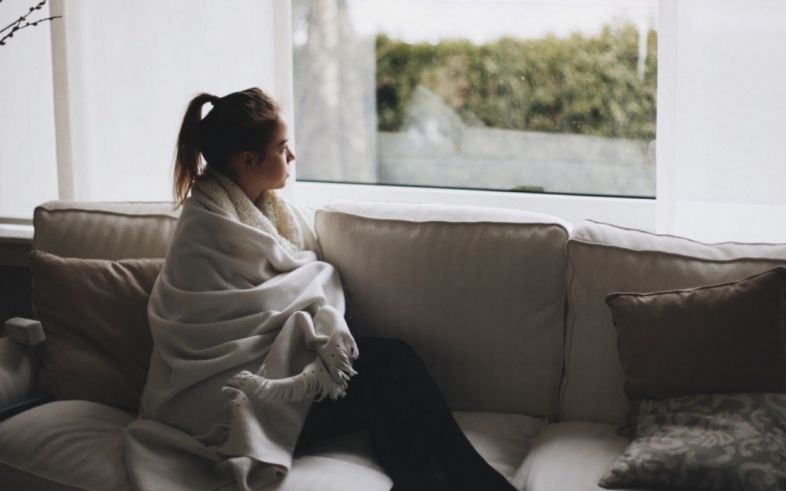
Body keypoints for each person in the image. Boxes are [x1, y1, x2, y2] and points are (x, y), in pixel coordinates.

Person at [143, 87, 516, 491]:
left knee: (386, 387)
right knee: (392, 367)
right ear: (248, 161)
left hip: (272, 379)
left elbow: (284, 290)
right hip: (227, 404)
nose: (292, 156)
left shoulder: (264, 212)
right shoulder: (208, 230)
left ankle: (431, 480)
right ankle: (475, 480)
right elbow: (232, 322)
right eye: (282, 147)